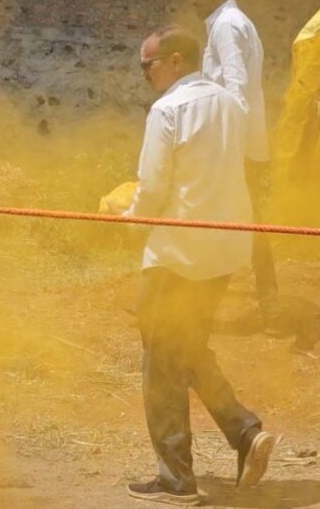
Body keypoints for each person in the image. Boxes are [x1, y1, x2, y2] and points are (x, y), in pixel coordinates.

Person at [124, 25, 277, 507]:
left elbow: (152, 189)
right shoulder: (231, 104)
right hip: (224, 251)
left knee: (161, 365)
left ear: (175, 60)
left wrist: (127, 221)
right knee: (188, 349)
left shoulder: (167, 110)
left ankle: (176, 481)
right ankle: (245, 432)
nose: (145, 74)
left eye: (147, 65)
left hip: (176, 257)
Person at [181, 0, 278, 315]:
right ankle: (266, 294)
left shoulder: (226, 25)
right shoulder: (236, 22)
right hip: (243, 143)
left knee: (216, 214)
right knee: (246, 217)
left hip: (234, 145)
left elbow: (236, 87)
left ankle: (196, 295)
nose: (192, 0)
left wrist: (227, 146)